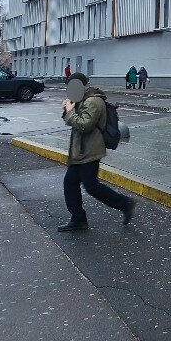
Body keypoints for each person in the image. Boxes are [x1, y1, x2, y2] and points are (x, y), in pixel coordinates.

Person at [58, 72, 136, 232]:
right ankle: (78, 218)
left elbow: (85, 125)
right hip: (81, 150)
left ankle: (125, 203)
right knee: (71, 182)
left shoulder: (93, 101)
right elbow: (76, 122)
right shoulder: (83, 98)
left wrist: (70, 112)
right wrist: (67, 110)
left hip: (90, 150)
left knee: (91, 186)